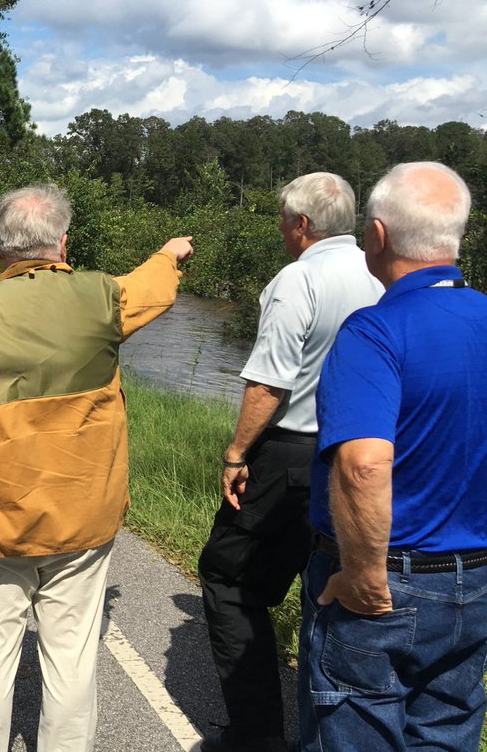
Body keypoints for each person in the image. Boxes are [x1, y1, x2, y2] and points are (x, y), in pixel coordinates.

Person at [0, 183, 193, 752]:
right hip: (84, 515)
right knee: (72, 657)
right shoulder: (105, 297)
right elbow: (152, 288)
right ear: (62, 241)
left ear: (2, 245)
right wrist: (169, 253)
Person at [300, 162, 487, 750]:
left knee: (356, 727)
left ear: (376, 236)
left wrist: (361, 573)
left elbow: (362, 464)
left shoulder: (374, 332)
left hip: (389, 580)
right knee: (447, 730)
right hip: (476, 578)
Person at [197, 172, 382, 752]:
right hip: (366, 455)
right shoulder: (380, 273)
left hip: (292, 455)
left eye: (282, 219)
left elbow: (269, 382)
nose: (280, 229)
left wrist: (236, 453)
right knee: (324, 585)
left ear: (302, 224)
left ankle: (256, 736)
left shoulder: (298, 279)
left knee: (229, 579)